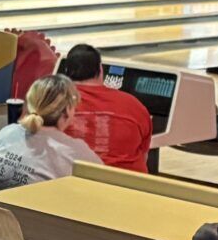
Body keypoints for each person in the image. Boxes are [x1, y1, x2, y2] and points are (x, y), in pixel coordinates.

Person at [0, 74, 100, 195]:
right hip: (28, 215)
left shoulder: (7, 132)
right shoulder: (77, 153)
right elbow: (104, 187)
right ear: (67, 110)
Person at [56, 43, 152, 173]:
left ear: (65, 72)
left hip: (73, 184)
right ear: (101, 70)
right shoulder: (135, 105)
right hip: (128, 187)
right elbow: (144, 155)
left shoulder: (54, 103)